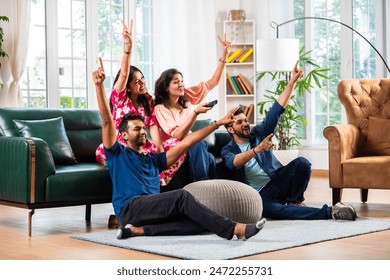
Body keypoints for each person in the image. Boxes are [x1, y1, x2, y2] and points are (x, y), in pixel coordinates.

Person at [92, 57, 266, 240]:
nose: (143, 131)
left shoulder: (154, 159)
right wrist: (98, 86)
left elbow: (186, 143)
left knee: (200, 222)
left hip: (149, 212)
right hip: (130, 208)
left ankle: (137, 231)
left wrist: (218, 123)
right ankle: (235, 230)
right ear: (124, 136)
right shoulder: (117, 154)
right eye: (137, 129)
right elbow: (106, 120)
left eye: (144, 128)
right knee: (182, 196)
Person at [221, 60, 357, 221]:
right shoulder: (228, 150)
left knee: (302, 163)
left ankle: (295, 200)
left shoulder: (258, 133)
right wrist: (257, 150)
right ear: (230, 129)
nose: (245, 124)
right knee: (274, 211)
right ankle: (331, 212)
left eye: (245, 120)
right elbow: (233, 163)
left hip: (278, 180)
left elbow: (276, 110)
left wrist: (291, 82)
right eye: (239, 122)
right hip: (260, 194)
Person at [154, 34, 231, 187]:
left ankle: (214, 193)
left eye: (182, 81)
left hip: (190, 146)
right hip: (174, 148)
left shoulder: (186, 96)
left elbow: (213, 82)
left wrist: (225, 55)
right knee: (198, 144)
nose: (181, 85)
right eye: (176, 82)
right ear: (165, 87)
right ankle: (202, 188)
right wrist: (195, 113)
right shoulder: (160, 109)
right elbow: (179, 135)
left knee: (208, 157)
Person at [95, 19, 163, 165]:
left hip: (141, 147)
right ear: (128, 87)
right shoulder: (119, 98)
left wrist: (161, 151)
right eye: (137, 82)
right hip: (119, 146)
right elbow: (124, 74)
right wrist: (128, 49)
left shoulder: (147, 100)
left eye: (143, 79)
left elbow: (153, 126)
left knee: (175, 147)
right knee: (129, 155)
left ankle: (157, 179)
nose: (142, 83)